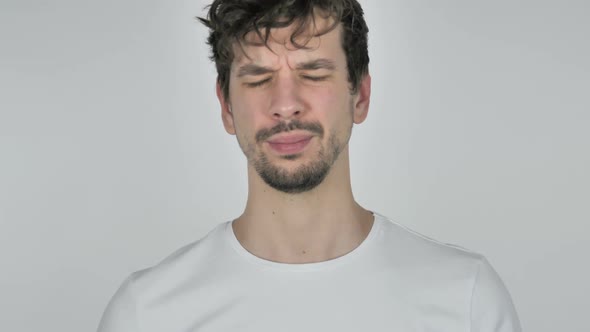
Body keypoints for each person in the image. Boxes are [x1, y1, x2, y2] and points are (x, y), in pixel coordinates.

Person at [97, 0, 522, 331]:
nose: (285, 106)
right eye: (258, 79)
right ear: (226, 106)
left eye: (313, 74)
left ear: (361, 96)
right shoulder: (147, 316)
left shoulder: (465, 301)